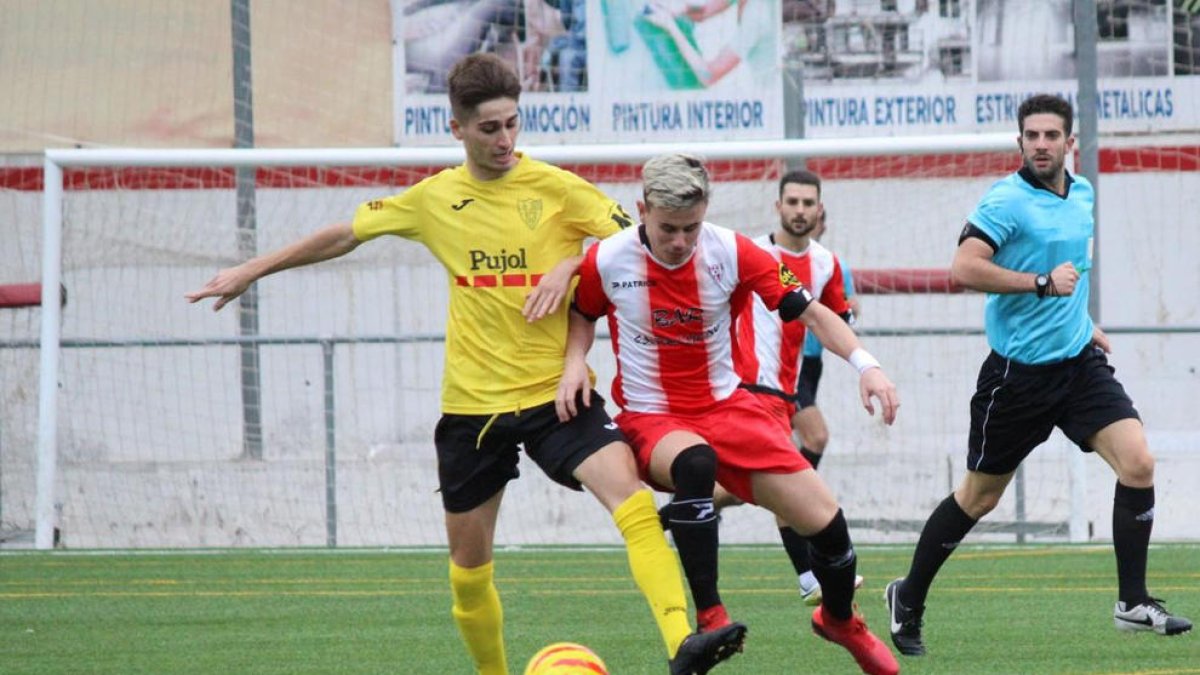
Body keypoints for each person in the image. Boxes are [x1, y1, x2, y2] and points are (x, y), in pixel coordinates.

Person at [186, 53, 745, 675]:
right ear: (456, 128)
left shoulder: (558, 190)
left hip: (557, 398)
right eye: (489, 129)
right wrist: (250, 270)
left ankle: (681, 649)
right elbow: (345, 233)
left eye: (512, 124)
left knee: (634, 505)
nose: (505, 140)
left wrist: (571, 264)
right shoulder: (435, 200)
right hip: (472, 409)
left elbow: (632, 238)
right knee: (469, 574)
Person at [557, 153, 902, 675]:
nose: (679, 241)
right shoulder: (608, 259)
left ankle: (839, 619)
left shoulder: (732, 252)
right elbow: (582, 312)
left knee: (827, 525)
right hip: (653, 416)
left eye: (690, 228)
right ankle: (711, 617)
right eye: (668, 228)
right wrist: (573, 363)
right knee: (694, 463)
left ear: (707, 212)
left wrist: (866, 366)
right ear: (641, 209)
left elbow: (811, 312)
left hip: (730, 408)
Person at [884, 93, 1194, 658]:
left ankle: (1133, 601)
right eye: (1032, 136)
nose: (1042, 145)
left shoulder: (1082, 194)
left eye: (1052, 135)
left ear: (1069, 142)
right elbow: (963, 267)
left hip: (1078, 366)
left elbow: (1075, 273)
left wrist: (1085, 321)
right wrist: (1041, 285)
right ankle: (908, 596)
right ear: (1020, 142)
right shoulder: (1006, 201)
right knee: (979, 499)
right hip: (1017, 378)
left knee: (1139, 463)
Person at [730, 170, 862, 606]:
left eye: (808, 203)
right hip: (752, 384)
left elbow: (835, 320)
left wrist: (860, 354)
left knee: (745, 485)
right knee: (797, 466)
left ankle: (670, 516)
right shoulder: (749, 252)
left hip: (791, 382)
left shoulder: (825, 263)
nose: (800, 210)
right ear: (778, 207)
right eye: (793, 202)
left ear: (819, 209)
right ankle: (810, 576)